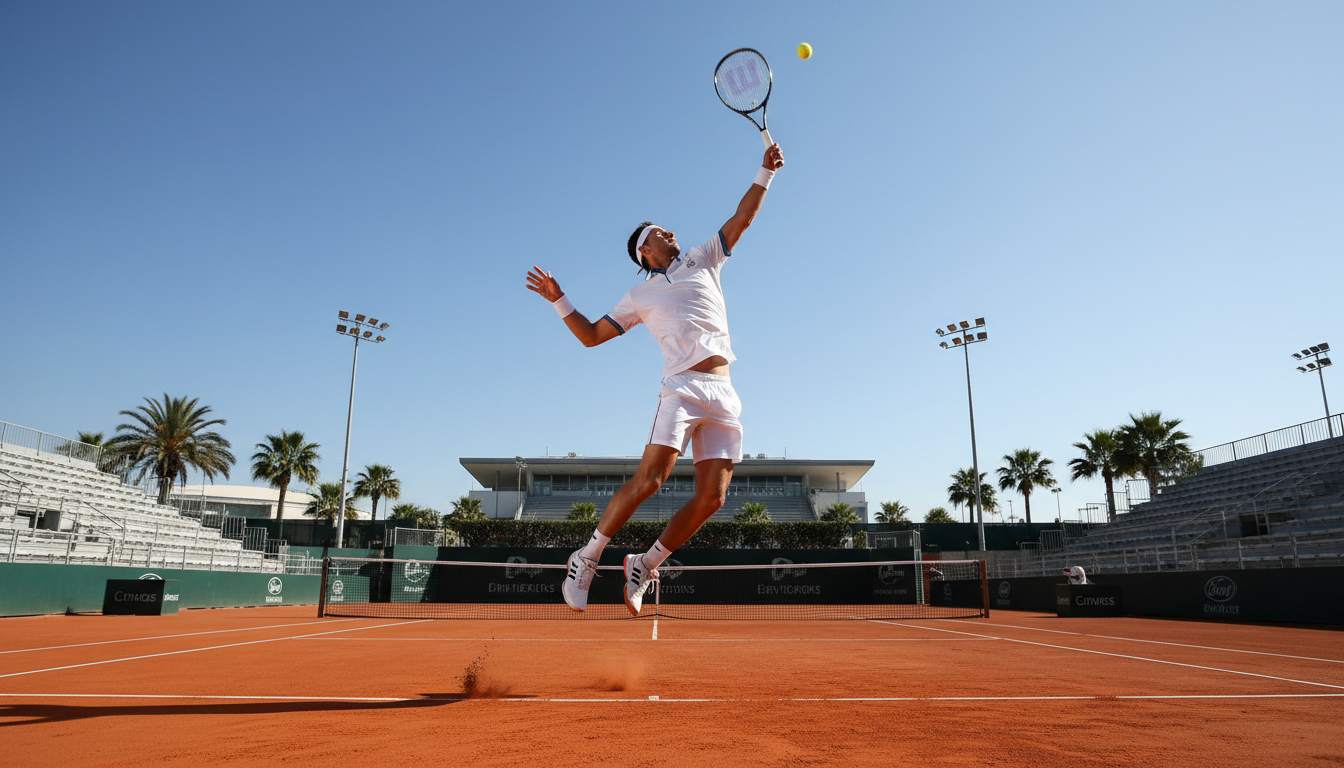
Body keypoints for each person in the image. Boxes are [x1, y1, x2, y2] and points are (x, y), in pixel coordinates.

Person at [525, 143, 785, 616]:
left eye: (667, 229)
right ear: (646, 251)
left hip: (724, 392)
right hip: (682, 389)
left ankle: (645, 562)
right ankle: (586, 557)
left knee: (713, 497)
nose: (669, 231)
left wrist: (764, 173)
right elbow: (590, 336)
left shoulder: (704, 257)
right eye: (658, 232)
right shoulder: (638, 295)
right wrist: (559, 300)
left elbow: (741, 218)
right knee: (651, 479)